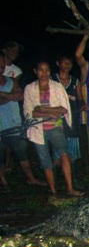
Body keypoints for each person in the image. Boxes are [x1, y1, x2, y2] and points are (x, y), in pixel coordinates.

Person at [23, 61, 82, 196]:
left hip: (55, 126)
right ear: (35, 71)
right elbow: (29, 112)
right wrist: (51, 112)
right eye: (41, 70)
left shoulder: (57, 87)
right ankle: (53, 190)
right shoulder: (30, 88)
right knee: (45, 160)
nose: (44, 73)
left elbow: (63, 109)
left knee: (64, 154)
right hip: (37, 129)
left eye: (47, 70)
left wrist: (42, 109)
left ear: (50, 71)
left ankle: (70, 188)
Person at [0, 53, 45, 188]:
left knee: (22, 151)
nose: (0, 68)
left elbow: (20, 96)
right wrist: (11, 96)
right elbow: (14, 96)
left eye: (2, 65)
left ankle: (31, 178)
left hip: (14, 124)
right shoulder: (12, 84)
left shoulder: (11, 81)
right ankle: (4, 182)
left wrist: (3, 94)